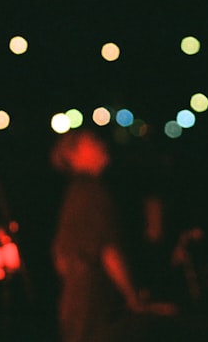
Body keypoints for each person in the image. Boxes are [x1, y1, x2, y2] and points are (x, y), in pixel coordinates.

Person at [51, 130, 176, 342]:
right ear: (73, 154)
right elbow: (108, 249)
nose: (101, 144)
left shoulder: (75, 193)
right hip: (95, 303)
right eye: (91, 141)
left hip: (78, 301)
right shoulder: (90, 192)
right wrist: (132, 297)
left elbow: (60, 255)